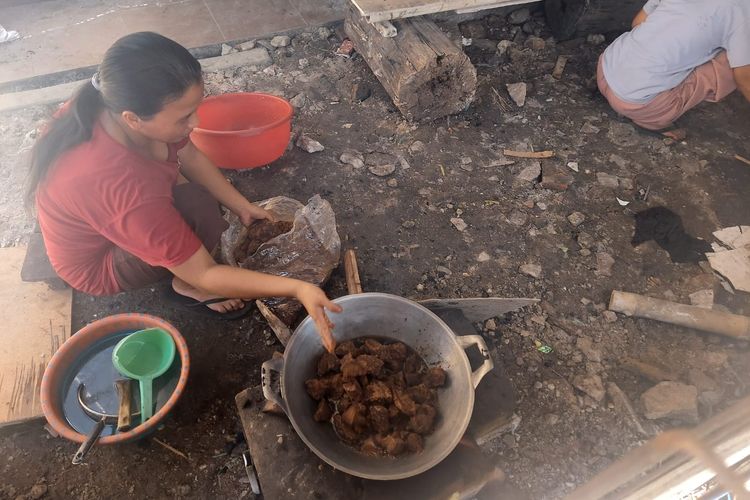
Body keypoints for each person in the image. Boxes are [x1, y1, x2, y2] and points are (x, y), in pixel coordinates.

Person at [27, 32, 340, 351]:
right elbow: (205, 272)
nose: (196, 121)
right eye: (184, 117)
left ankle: (177, 254)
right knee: (200, 209)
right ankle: (184, 286)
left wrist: (241, 206)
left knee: (200, 200)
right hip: (98, 263)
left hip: (104, 217)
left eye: (195, 108)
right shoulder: (125, 190)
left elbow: (187, 154)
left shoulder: (111, 101)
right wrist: (298, 289)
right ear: (133, 120)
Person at [597, 0, 750, 139]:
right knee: (736, 61)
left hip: (605, 70)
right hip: (639, 105)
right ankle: (652, 123)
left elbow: (637, 23)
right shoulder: (741, 10)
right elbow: (744, 81)